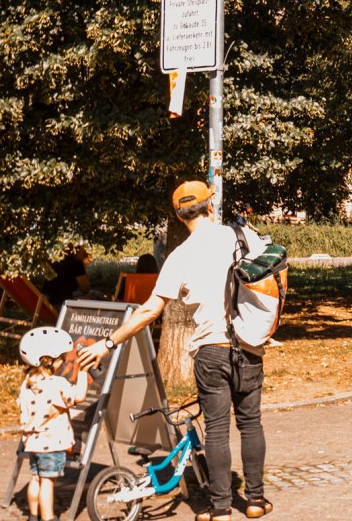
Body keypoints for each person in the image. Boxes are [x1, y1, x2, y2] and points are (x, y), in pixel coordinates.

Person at [77, 181, 273, 521]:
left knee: (216, 428)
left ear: (180, 216)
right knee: (251, 423)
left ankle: (221, 508)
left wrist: (108, 343)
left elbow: (150, 310)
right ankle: (255, 500)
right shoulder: (241, 237)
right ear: (210, 206)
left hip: (210, 350)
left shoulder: (179, 256)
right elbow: (274, 275)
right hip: (248, 344)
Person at [18, 327, 88, 521]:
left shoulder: (28, 382)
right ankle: (48, 517)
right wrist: (82, 371)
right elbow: (79, 397)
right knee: (48, 483)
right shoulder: (56, 384)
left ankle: (33, 515)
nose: (64, 361)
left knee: (35, 478)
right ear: (51, 360)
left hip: (32, 442)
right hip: (52, 444)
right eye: (62, 358)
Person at [41, 245, 94, 309]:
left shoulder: (56, 261)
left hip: (46, 302)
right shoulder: (76, 263)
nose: (85, 253)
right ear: (77, 250)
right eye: (83, 250)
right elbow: (85, 289)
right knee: (95, 295)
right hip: (62, 304)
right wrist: (83, 266)